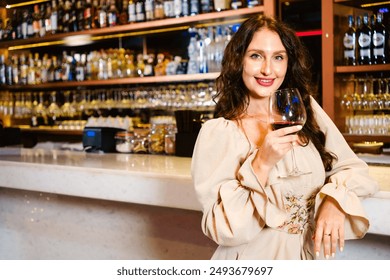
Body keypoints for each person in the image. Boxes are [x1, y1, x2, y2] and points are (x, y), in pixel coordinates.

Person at [191, 14, 379, 260]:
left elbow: (354, 169)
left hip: (306, 257)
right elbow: (224, 229)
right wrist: (262, 162)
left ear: (288, 63)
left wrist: (334, 201)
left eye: (278, 57)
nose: (268, 69)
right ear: (239, 61)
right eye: (256, 56)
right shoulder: (219, 133)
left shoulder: (306, 111)